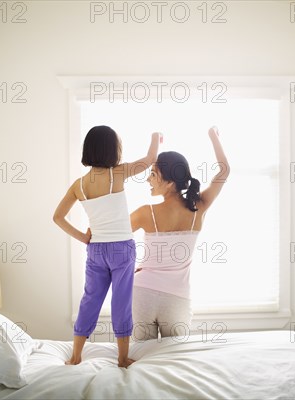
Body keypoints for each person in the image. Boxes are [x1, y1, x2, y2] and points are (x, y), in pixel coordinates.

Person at [53, 125, 161, 367]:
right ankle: (122, 358)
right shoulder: (118, 173)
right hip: (122, 249)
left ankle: (75, 356)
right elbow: (150, 159)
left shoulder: (79, 185)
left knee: (90, 299)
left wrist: (83, 237)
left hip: (96, 251)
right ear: (113, 150)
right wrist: (155, 136)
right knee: (121, 301)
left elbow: (57, 217)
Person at [130, 126, 229, 341]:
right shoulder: (199, 207)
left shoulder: (145, 213)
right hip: (177, 299)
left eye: (153, 174)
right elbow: (224, 171)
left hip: (141, 292)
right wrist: (213, 136)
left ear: (169, 183)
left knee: (140, 359)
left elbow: (111, 235)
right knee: (175, 359)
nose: (148, 179)